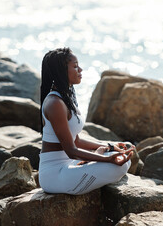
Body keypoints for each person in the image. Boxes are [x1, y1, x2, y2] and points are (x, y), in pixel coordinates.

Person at [39, 47, 134, 195]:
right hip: (54, 175)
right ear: (61, 71)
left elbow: (76, 141)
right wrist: (106, 159)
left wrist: (109, 146)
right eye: (75, 66)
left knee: (122, 157)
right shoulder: (54, 104)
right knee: (118, 165)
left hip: (69, 165)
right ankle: (93, 165)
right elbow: (71, 150)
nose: (81, 70)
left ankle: (95, 160)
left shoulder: (66, 98)